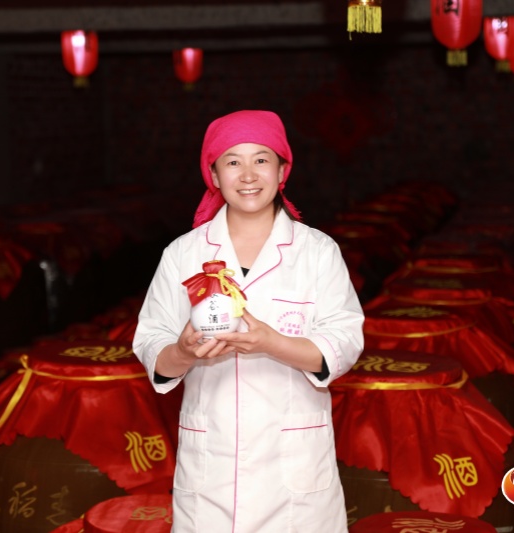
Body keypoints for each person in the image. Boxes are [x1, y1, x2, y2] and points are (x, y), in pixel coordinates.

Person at [132, 109, 364, 533]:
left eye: (261, 159)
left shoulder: (317, 251)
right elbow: (151, 343)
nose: (248, 175)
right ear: (214, 175)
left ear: (282, 170)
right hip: (212, 474)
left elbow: (345, 340)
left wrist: (272, 343)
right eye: (232, 162)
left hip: (294, 473)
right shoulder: (183, 252)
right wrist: (183, 352)